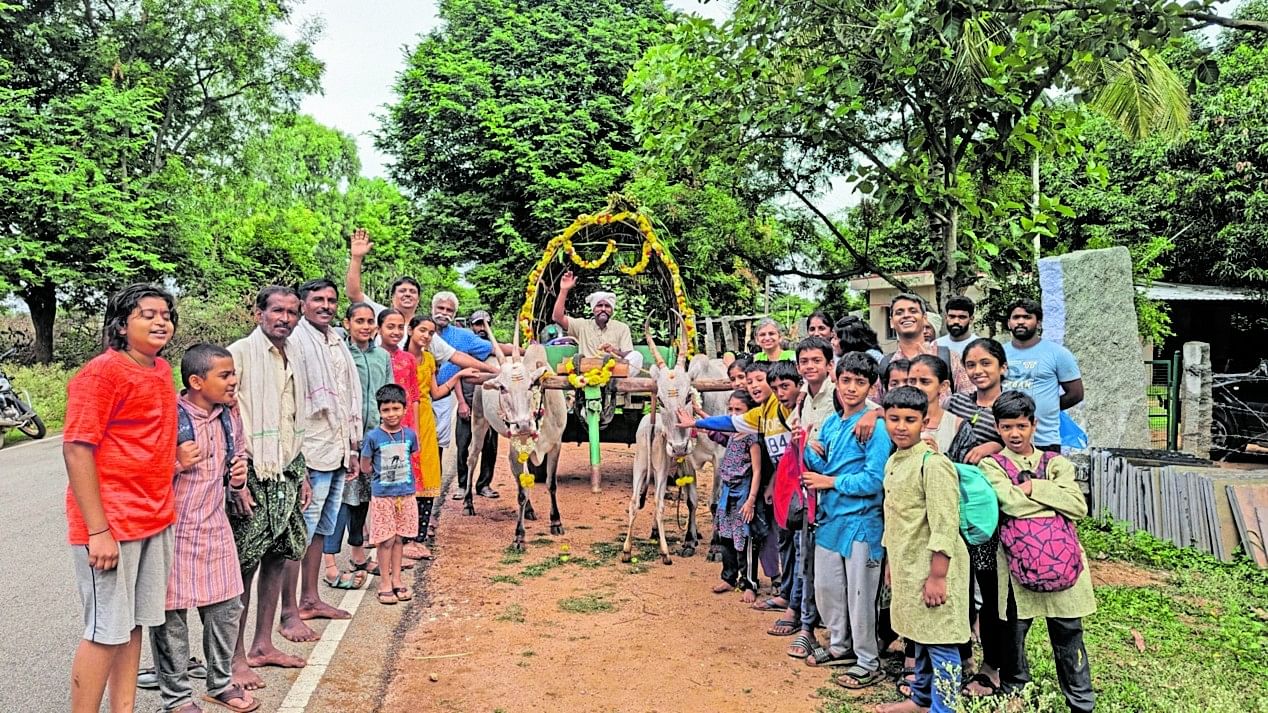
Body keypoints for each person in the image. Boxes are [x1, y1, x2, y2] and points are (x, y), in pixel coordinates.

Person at [64, 284, 179, 713]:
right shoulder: (102, 373)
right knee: (105, 630)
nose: (159, 320)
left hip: (154, 518)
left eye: (165, 314)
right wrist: (98, 531)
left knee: (132, 624)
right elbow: (77, 448)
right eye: (147, 314)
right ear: (121, 324)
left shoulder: (160, 370)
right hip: (111, 524)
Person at [150, 344, 258, 713]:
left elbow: (238, 452)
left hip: (213, 526)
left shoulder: (229, 415)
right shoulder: (169, 416)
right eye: (224, 375)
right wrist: (175, 464)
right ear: (197, 381)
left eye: (233, 373)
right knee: (170, 618)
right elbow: (143, 471)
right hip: (171, 531)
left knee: (227, 607)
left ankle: (220, 683)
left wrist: (239, 478)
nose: (233, 381)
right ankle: (177, 698)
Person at [979, 391, 1096, 713]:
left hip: (1064, 569)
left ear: (1034, 424)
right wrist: (1051, 500)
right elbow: (1009, 504)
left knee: (1069, 638)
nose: (1014, 434)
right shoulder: (992, 465)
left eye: (1021, 426)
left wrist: (1032, 487)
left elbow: (1077, 505)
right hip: (1018, 570)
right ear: (997, 428)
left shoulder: (1055, 462)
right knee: (1013, 638)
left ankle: (1081, 703)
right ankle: (1017, 695)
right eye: (1006, 427)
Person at [226, 286, 311, 689]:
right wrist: (235, 477)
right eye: (277, 310)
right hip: (251, 472)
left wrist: (303, 471)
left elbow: (295, 416)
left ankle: (263, 644)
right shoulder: (239, 353)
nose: (286, 318)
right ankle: (235, 656)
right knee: (244, 566)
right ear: (259, 312)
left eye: (292, 312)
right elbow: (224, 414)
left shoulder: (295, 354)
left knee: (278, 557)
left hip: (287, 469)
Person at [801, 352, 891, 688]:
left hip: (863, 523)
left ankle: (869, 660)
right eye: (845, 380)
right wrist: (808, 445)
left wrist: (830, 483)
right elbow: (820, 466)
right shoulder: (832, 423)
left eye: (860, 382)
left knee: (860, 595)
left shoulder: (876, 426)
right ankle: (840, 646)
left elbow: (874, 480)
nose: (851, 388)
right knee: (828, 590)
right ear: (835, 382)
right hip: (831, 520)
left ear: (871, 385)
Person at [878, 386, 969, 713]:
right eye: (894, 419)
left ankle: (944, 708)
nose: (901, 426)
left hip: (933, 567)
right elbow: (893, 515)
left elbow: (945, 523)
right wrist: (890, 561)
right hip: (908, 564)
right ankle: (920, 700)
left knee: (941, 640)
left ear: (925, 421)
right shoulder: (895, 461)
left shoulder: (933, 464)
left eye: (910, 420)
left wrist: (938, 576)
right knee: (920, 635)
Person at [284, 278, 361, 641]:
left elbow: (348, 396)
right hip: (310, 450)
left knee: (322, 529)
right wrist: (295, 461)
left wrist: (353, 447)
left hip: (337, 446)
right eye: (318, 300)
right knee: (299, 532)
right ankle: (288, 611)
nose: (326, 305)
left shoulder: (335, 340)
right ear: (303, 303)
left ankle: (311, 598)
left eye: (331, 300)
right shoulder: (296, 340)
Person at [945, 338, 1009, 698]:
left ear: (1001, 366)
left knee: (990, 591)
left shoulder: (1009, 405)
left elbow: (1027, 441)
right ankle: (963, 658)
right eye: (971, 365)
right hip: (958, 510)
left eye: (986, 363)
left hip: (990, 518)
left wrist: (995, 445)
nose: (978, 371)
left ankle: (992, 667)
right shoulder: (956, 402)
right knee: (961, 588)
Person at [322, 303, 392, 590]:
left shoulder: (381, 356)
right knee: (339, 501)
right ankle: (329, 562)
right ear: (347, 323)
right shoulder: (337, 353)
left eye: (369, 321)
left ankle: (357, 554)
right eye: (359, 320)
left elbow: (389, 393)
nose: (365, 326)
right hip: (343, 438)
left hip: (373, 437)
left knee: (363, 498)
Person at [408, 316, 483, 556]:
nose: (427, 336)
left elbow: (437, 393)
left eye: (431, 333)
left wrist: (458, 376)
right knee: (405, 477)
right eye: (422, 330)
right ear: (410, 330)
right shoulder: (399, 359)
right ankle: (403, 540)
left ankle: (418, 538)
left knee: (429, 475)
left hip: (426, 421)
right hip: (404, 420)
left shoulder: (429, 359)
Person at [360, 384, 422, 605]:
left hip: (405, 495)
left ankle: (397, 578)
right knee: (384, 540)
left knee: (398, 539)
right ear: (379, 412)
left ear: (404, 409)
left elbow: (414, 456)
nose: (391, 414)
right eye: (386, 410)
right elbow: (365, 465)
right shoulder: (373, 437)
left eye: (396, 408)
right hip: (383, 496)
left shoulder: (410, 435)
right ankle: (384, 582)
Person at [1002, 299, 1084, 452]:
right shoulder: (998, 353)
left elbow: (1076, 394)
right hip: (1005, 440)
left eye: (1027, 317)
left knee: (1044, 477)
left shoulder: (1058, 353)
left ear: (1038, 323)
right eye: (1016, 317)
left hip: (1045, 440)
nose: (1020, 322)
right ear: (1009, 323)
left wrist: (1046, 408)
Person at [710, 390, 763, 603]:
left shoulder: (752, 437)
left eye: (738, 410)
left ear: (749, 413)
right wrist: (696, 416)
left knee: (746, 537)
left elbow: (757, 471)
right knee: (726, 535)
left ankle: (749, 582)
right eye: (730, 410)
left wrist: (751, 500)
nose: (733, 414)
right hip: (727, 491)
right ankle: (729, 577)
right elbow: (712, 424)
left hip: (743, 492)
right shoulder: (732, 433)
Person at [877, 294, 970, 398]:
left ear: (924, 318)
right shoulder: (885, 364)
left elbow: (968, 401)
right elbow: (875, 407)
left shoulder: (949, 357)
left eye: (913, 311)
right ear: (891, 322)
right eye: (899, 312)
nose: (906, 315)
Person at [551, 270, 645, 371]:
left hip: (613, 374)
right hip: (587, 373)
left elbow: (628, 355)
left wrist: (614, 351)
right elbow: (557, 317)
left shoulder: (622, 328)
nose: (603, 309)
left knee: (637, 356)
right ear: (593, 309)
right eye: (599, 305)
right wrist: (564, 290)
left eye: (607, 306)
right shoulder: (582, 325)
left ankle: (613, 385)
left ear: (612, 310)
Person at [455, 310, 500, 499]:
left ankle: (484, 485)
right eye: (477, 324)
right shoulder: (463, 348)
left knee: (490, 447)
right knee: (464, 446)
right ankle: (462, 485)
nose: (481, 328)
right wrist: (462, 403)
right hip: (468, 403)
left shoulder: (495, 352)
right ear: (471, 326)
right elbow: (455, 376)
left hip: (491, 407)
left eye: (485, 324)